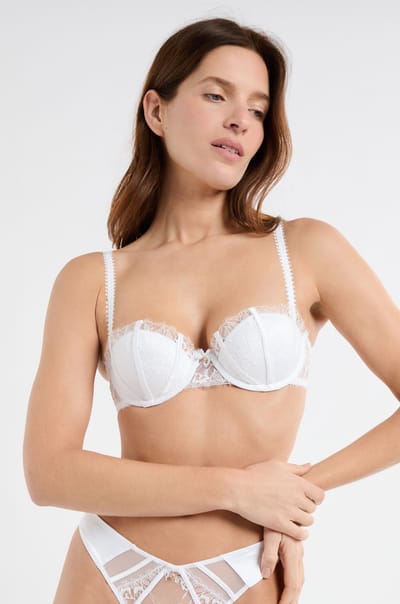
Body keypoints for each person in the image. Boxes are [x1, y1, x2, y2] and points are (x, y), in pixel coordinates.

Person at [22, 16, 400, 604]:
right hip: (107, 564)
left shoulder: (305, 249)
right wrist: (235, 490)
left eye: (257, 109)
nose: (239, 121)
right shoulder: (92, 280)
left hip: (248, 567)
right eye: (217, 95)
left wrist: (294, 495)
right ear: (157, 111)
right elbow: (48, 473)